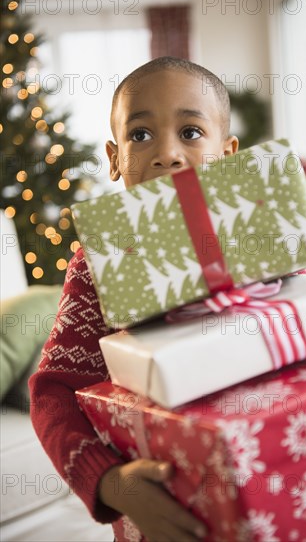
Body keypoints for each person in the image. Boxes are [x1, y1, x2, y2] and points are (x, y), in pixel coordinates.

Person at [29, 56, 239, 542]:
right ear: (114, 158)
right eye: (140, 136)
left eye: (190, 132)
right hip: (161, 505)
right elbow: (53, 392)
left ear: (227, 153)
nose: (165, 153)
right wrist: (111, 482)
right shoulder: (99, 262)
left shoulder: (263, 238)